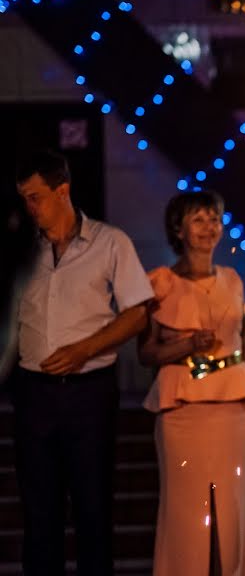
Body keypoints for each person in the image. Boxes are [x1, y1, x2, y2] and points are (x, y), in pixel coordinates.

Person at [12, 150, 154, 575]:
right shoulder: (21, 250)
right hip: (32, 391)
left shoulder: (110, 242)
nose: (29, 207)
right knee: (38, 512)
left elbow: (137, 312)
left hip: (89, 391)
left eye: (35, 196)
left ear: (63, 191)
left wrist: (83, 349)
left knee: (93, 507)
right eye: (24, 198)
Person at [137, 191, 245, 576]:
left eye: (214, 219)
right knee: (185, 508)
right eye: (198, 219)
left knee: (233, 505)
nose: (209, 227)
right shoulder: (159, 282)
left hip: (232, 406)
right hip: (182, 409)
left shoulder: (232, 278)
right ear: (179, 228)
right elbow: (146, 353)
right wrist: (187, 343)